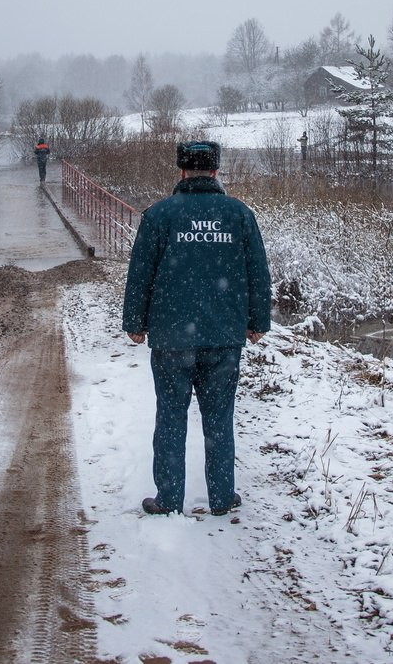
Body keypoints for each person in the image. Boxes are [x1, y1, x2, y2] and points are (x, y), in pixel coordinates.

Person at [121, 140, 271, 516]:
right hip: (224, 336)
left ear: (182, 172)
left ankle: (169, 499)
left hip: (172, 337)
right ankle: (222, 498)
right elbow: (258, 273)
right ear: (216, 172)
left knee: (171, 416)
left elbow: (141, 274)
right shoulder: (239, 214)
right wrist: (258, 322)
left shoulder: (160, 215)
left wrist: (135, 323)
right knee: (219, 418)